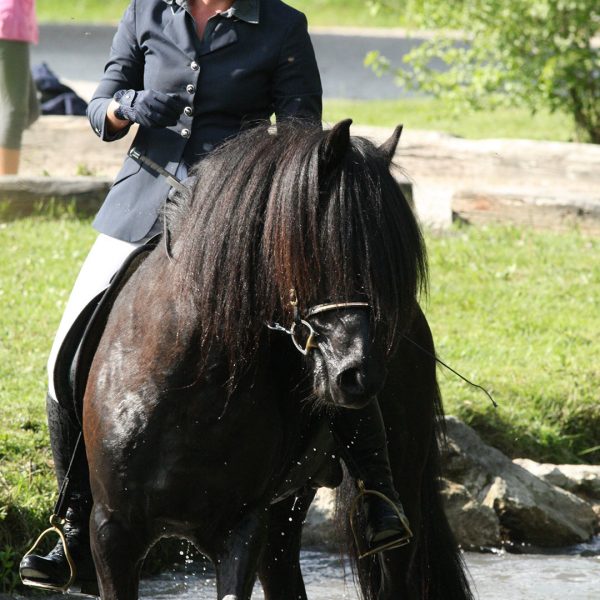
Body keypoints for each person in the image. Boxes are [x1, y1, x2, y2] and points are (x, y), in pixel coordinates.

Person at [19, 0, 408, 592]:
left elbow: (304, 138)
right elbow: (99, 107)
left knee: (325, 339)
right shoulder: (146, 13)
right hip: (140, 206)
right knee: (62, 354)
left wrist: (247, 191)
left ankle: (375, 490)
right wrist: (126, 109)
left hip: (237, 224)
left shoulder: (281, 25)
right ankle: (71, 521)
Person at [0, 0, 39, 174]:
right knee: (14, 114)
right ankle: (6, 190)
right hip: (8, 23)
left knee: (31, 110)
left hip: (14, 22)